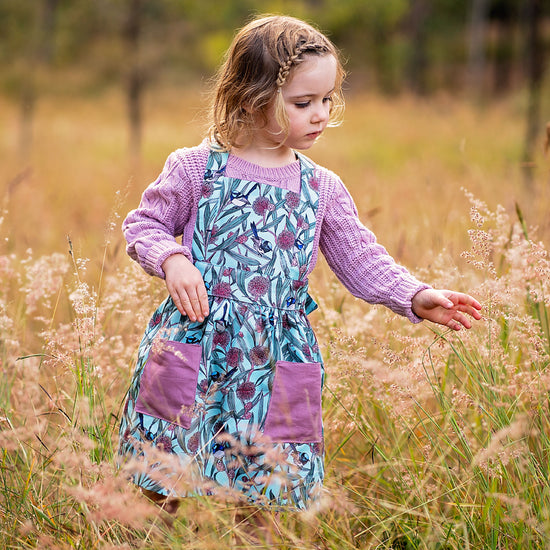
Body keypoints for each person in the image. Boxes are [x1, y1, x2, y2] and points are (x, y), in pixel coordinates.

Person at [118, 13, 481, 532]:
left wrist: (415, 295)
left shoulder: (321, 187)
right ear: (250, 96)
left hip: (277, 357)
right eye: (303, 103)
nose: (321, 115)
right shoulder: (197, 167)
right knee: (159, 480)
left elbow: (361, 257)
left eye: (328, 99)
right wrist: (172, 259)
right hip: (196, 344)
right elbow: (144, 224)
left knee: (266, 492)